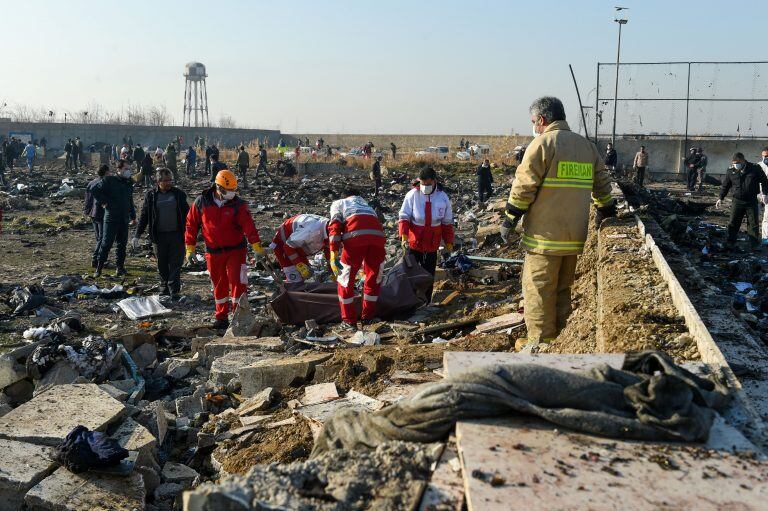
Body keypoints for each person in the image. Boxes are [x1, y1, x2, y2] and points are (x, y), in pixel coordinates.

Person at [500, 96, 615, 348]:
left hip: (544, 239)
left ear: (542, 120)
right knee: (563, 290)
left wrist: (509, 218)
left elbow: (524, 187)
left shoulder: (542, 144)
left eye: (534, 121)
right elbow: (603, 187)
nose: (534, 126)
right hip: (574, 238)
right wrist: (606, 211)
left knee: (539, 291)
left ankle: (541, 343)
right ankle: (562, 339)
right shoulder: (587, 147)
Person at [184, 169, 265, 329]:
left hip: (236, 250)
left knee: (238, 283)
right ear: (218, 187)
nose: (231, 194)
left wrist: (257, 247)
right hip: (213, 252)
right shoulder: (202, 202)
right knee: (219, 284)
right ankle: (221, 318)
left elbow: (249, 226)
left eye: (234, 190)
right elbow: (191, 225)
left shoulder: (238, 205)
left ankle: (239, 317)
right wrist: (190, 248)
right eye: (228, 191)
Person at [329, 191, 386, 330]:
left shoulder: (339, 203)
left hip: (355, 239)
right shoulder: (367, 206)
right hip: (378, 240)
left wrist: (333, 253)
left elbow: (335, 227)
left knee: (345, 279)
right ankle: (368, 318)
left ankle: (349, 322)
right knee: (374, 278)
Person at [398, 167, 454, 302]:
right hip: (414, 242)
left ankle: (426, 301)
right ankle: (410, 301)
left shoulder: (442, 197)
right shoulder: (412, 195)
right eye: (422, 184)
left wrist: (449, 241)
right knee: (412, 274)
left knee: (429, 273)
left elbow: (447, 222)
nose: (425, 187)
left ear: (434, 181)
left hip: (432, 244)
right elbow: (404, 216)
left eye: (428, 184)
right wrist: (404, 235)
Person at [133, 168, 189, 298]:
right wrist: (137, 235)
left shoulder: (178, 194)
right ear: (158, 181)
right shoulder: (151, 195)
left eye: (171, 180)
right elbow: (144, 215)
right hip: (159, 236)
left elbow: (188, 214)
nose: (169, 183)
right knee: (162, 263)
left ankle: (174, 290)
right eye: (166, 180)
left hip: (177, 235)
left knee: (176, 263)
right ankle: (164, 288)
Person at [92, 159, 137, 277]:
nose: (128, 171)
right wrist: (104, 202)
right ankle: (99, 268)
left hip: (124, 219)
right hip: (111, 218)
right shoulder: (109, 180)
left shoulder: (128, 183)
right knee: (106, 244)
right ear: (119, 169)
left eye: (129, 169)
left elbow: (129, 200)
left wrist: (133, 216)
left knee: (122, 245)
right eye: (125, 169)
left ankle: (120, 268)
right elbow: (94, 190)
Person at [716, 152, 768, 251]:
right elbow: (725, 185)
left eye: (738, 163)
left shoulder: (754, 168)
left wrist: (765, 194)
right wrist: (720, 198)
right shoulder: (731, 171)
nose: (736, 165)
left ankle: (754, 244)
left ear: (743, 161)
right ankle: (730, 242)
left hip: (751, 200)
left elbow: (765, 181)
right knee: (733, 222)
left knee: (753, 223)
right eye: (734, 163)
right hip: (737, 201)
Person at [271, 214, 330, 282]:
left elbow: (328, 249)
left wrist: (331, 268)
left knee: (307, 275)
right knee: (295, 279)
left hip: (298, 247)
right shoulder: (311, 230)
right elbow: (288, 247)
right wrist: (299, 265)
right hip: (282, 244)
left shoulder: (328, 227)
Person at [84, 164, 109, 268]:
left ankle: (98, 258)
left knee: (99, 237)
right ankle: (96, 259)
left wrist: (87, 211)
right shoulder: (104, 184)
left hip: (92, 213)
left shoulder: (91, 183)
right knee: (102, 238)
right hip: (101, 213)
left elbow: (87, 199)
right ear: (106, 172)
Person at [759, 148, 768, 245]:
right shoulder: (759, 165)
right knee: (754, 216)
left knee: (767, 217)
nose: (765, 158)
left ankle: (765, 237)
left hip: (767, 194)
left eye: (767, 156)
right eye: (763, 156)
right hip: (758, 194)